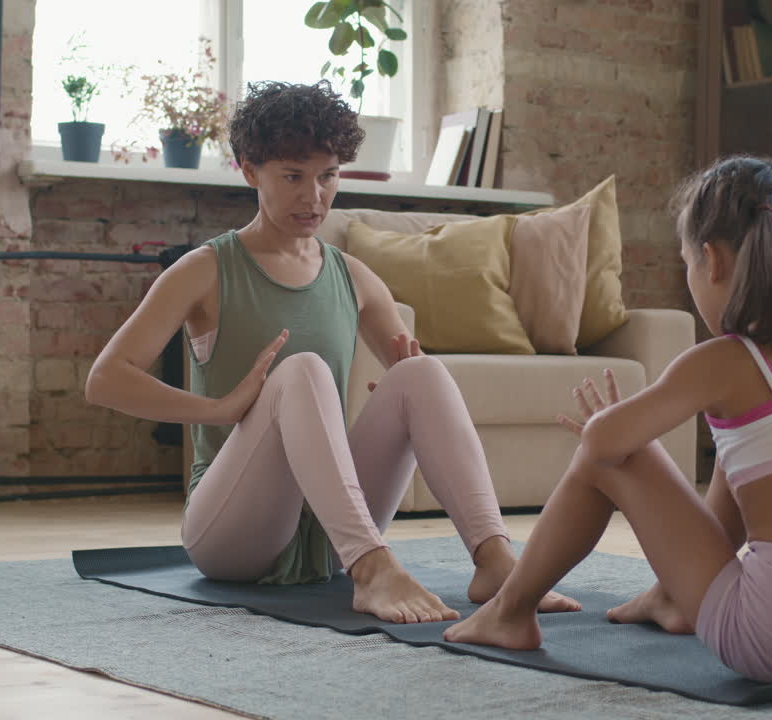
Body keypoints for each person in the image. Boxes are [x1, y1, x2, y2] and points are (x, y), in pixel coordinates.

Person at [442, 155, 772, 683]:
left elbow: (604, 446)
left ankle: (510, 612)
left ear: (711, 261)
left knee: (611, 461)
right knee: (747, 448)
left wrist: (606, 421)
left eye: (686, 264)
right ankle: (671, 598)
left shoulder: (723, 361)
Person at [85, 80, 576, 625]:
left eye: (328, 176)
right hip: (234, 535)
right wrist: (219, 409)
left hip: (328, 532)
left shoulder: (354, 277)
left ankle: (495, 561)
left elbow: (415, 391)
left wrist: (401, 395)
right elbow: (105, 379)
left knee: (423, 373)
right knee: (303, 370)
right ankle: (372, 569)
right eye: (293, 176)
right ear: (249, 171)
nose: (314, 196)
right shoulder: (206, 269)